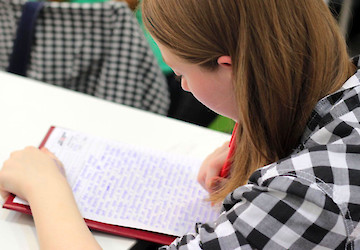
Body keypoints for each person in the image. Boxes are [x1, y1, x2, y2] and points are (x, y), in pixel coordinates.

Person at [1, 0, 360, 249]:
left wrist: (45, 187)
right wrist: (257, 140)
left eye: (181, 72)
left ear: (231, 67)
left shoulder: (306, 197)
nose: (183, 86)